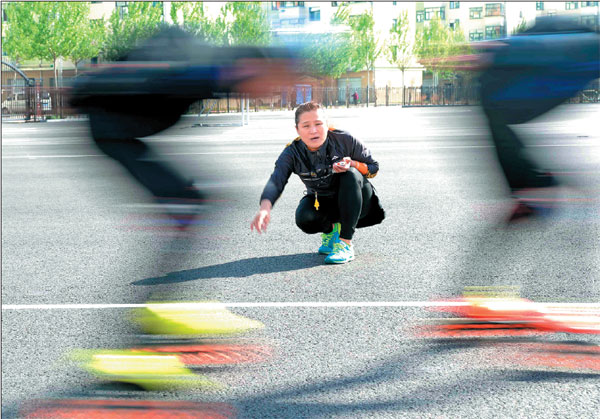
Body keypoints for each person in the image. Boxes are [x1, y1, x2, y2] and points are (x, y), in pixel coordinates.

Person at [250, 101, 384, 264]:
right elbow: (277, 179)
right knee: (304, 218)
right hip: (323, 201)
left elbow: (374, 167)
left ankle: (345, 244)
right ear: (297, 129)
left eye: (318, 124)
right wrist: (265, 208)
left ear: (326, 125)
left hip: (358, 200)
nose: (313, 130)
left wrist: (353, 163)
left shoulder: (344, 139)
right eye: (306, 126)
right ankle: (332, 231)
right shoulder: (292, 152)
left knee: (349, 173)